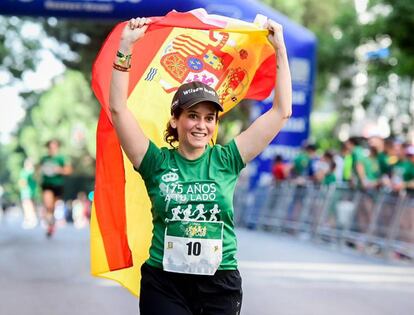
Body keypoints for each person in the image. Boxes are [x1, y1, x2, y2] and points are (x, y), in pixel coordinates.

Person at [109, 17, 291, 315]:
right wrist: (125, 47)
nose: (201, 125)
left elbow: (282, 112)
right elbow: (118, 110)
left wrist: (279, 48)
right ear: (176, 120)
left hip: (219, 285)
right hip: (165, 284)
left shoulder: (227, 159)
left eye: (209, 118)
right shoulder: (155, 162)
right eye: (193, 116)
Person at [39, 139, 72, 238]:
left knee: (52, 207)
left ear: (57, 147)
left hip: (58, 185)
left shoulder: (61, 158)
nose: (52, 149)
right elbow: (39, 169)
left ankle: (51, 224)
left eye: (54, 147)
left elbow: (68, 170)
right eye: (50, 147)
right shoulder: (44, 159)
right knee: (48, 205)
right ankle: (49, 224)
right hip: (47, 185)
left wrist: (59, 170)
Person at [18, 158, 38, 229]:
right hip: (29, 191)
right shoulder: (33, 172)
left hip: (27, 192)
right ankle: (30, 219)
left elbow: (23, 182)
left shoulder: (26, 172)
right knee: (29, 205)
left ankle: (31, 219)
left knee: (28, 205)